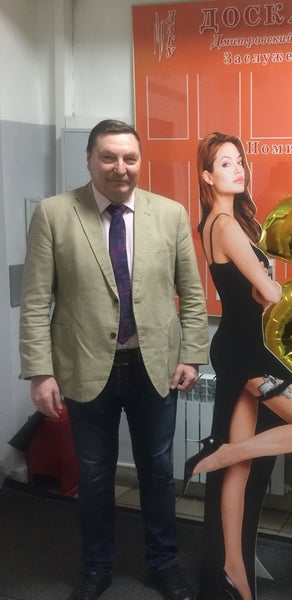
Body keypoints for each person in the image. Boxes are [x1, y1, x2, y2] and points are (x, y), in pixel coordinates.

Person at [19, 119, 209, 600]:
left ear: (140, 162)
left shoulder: (169, 214)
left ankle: (163, 563)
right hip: (84, 366)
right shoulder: (54, 214)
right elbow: (36, 300)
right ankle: (96, 568)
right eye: (108, 157)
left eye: (129, 158)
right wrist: (40, 372)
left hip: (154, 365)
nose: (120, 168)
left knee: (157, 471)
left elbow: (191, 293)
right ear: (89, 160)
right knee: (96, 474)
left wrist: (192, 354)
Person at [187, 132, 292, 600]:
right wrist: (270, 283)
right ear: (208, 176)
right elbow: (268, 293)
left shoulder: (214, 223)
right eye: (226, 163)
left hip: (238, 347)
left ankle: (234, 572)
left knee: (241, 467)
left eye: (240, 161)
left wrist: (260, 282)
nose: (238, 169)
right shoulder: (225, 225)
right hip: (247, 353)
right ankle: (221, 454)